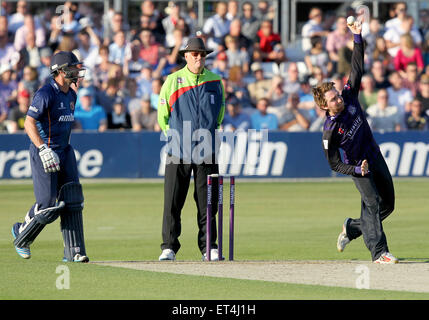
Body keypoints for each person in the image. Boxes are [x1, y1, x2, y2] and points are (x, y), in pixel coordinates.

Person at [311, 20, 398, 264]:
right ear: (324, 106)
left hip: (374, 154)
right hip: (359, 167)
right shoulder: (329, 132)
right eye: (333, 98)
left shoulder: (349, 97)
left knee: (387, 205)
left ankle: (351, 228)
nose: (338, 98)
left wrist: (357, 38)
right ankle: (380, 253)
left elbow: (357, 69)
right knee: (371, 205)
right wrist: (356, 169)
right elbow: (334, 164)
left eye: (337, 95)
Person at [11, 51, 89, 263]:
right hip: (44, 151)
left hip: (65, 150)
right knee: (47, 204)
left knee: (72, 198)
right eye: (73, 68)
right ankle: (21, 234)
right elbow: (29, 123)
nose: (77, 71)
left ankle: (74, 251)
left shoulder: (71, 93)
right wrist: (43, 149)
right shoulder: (45, 93)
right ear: (61, 71)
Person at [157, 37, 225, 261]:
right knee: (173, 201)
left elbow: (220, 114)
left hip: (207, 148)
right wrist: (175, 137)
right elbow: (162, 115)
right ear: (186, 56)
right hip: (178, 149)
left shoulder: (215, 81)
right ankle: (168, 246)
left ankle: (209, 248)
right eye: (194, 54)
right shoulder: (173, 80)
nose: (199, 57)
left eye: (202, 54)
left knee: (208, 202)